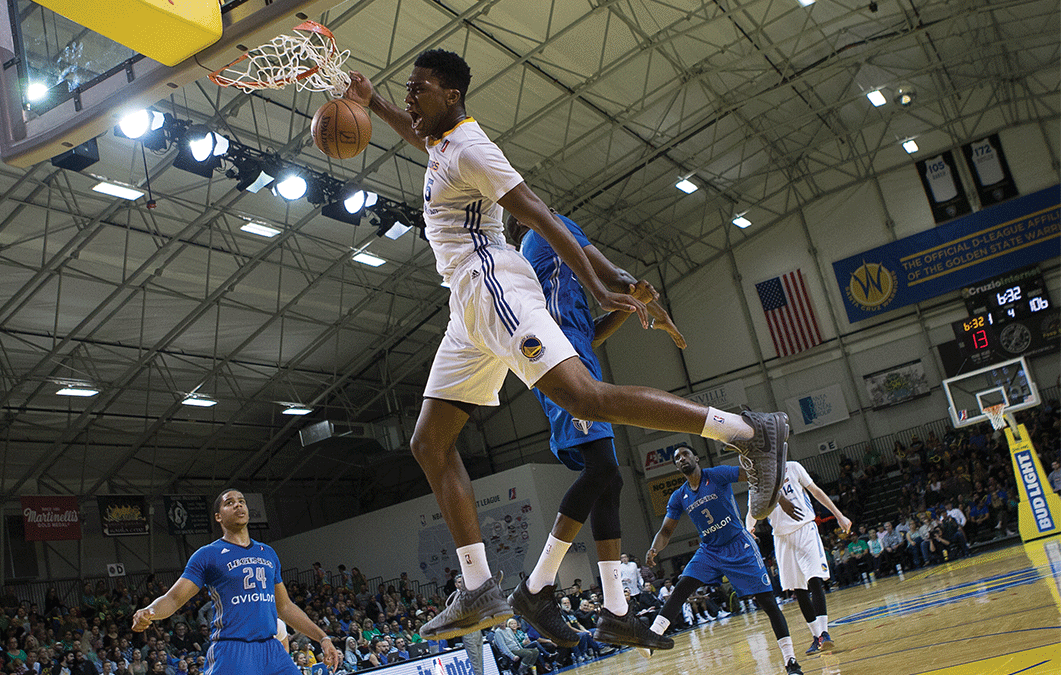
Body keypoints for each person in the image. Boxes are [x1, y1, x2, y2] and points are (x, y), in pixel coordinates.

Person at [344, 48, 789, 642]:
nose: (408, 99)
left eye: (417, 90)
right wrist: (371, 101)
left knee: (587, 399)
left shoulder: (474, 148)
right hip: (465, 306)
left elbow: (542, 217)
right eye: (406, 90)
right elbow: (412, 131)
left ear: (450, 95)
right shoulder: (441, 142)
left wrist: (598, 287)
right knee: (430, 442)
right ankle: (477, 586)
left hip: (491, 281)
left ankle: (747, 431)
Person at [496, 211, 677, 650]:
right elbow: (612, 274)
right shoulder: (547, 232)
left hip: (576, 364)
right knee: (601, 473)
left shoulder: (546, 267)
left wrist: (632, 307)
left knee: (608, 480)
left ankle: (616, 612)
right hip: (564, 372)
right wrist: (634, 289)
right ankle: (536, 589)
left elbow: (586, 333)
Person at [131, 490, 341, 675]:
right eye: (229, 502)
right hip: (232, 649)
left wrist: (322, 638)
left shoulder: (267, 553)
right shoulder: (207, 555)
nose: (238, 504)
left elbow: (284, 606)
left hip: (271, 648)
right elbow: (174, 598)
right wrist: (149, 611)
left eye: (241, 501)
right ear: (218, 516)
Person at [646, 446, 804, 674]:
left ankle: (791, 661)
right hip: (709, 550)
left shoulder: (717, 474)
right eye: (677, 458)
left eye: (685, 455)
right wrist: (654, 548)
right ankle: (654, 635)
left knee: (768, 603)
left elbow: (754, 477)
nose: (681, 459)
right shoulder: (679, 496)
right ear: (676, 466)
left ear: (696, 457)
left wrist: (779, 498)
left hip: (739, 544)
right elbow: (666, 531)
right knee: (682, 587)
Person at [745, 460, 852, 656]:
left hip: (804, 529)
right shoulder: (757, 479)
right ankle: (816, 637)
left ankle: (825, 633)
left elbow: (816, 491)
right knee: (799, 590)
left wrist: (839, 515)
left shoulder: (792, 467)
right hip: (781, 537)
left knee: (815, 580)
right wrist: (748, 528)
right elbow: (753, 509)